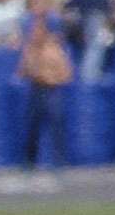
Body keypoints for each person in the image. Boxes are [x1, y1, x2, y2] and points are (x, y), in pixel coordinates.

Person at [18, 10, 74, 169]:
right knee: (32, 127)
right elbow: (21, 71)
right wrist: (32, 71)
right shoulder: (29, 50)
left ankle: (60, 159)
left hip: (51, 91)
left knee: (57, 125)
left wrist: (49, 77)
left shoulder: (54, 50)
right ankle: (30, 161)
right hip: (35, 90)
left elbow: (66, 74)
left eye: (38, 30)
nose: (35, 34)